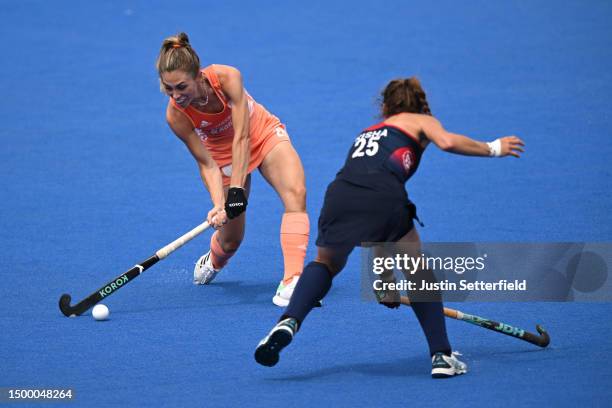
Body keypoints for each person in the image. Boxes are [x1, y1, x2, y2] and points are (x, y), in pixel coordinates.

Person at [254, 77, 525, 377]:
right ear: (420, 104)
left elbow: (372, 226)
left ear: (384, 106)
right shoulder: (421, 120)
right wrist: (493, 148)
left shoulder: (368, 132)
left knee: (326, 264)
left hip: (339, 195)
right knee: (418, 270)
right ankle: (441, 356)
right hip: (383, 196)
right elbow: (446, 142)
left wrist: (384, 280)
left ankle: (289, 321)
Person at [156, 33, 309, 306]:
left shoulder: (227, 78)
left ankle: (292, 280)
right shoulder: (176, 116)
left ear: (197, 76)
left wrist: (236, 191)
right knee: (231, 241)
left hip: (260, 132)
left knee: (296, 193)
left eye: (181, 87)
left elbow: (242, 137)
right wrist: (219, 204)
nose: (176, 96)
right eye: (169, 89)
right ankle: (214, 259)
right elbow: (206, 163)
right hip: (221, 155)